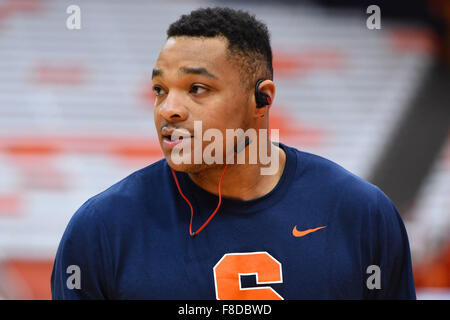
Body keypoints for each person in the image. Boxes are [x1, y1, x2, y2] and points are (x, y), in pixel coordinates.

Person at [51, 7, 416, 299]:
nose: (168, 110)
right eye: (159, 89)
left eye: (197, 88)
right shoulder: (101, 229)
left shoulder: (361, 214)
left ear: (262, 99)